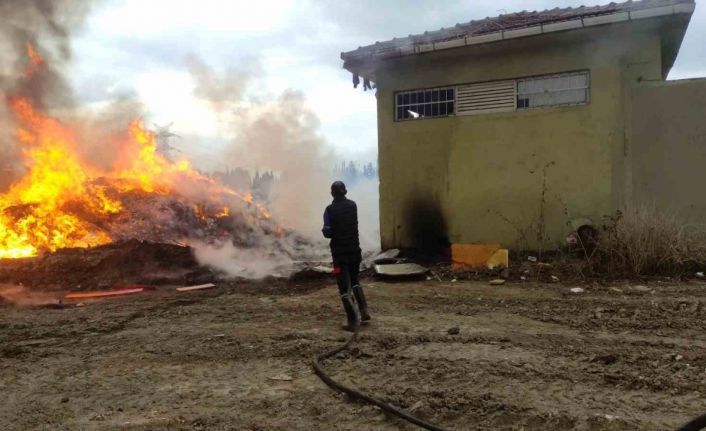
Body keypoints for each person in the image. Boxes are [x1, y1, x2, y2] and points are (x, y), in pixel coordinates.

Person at [322, 181, 371, 331]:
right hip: (355, 251)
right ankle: (364, 312)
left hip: (339, 255)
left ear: (332, 193)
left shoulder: (329, 210)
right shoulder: (353, 205)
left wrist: (327, 230)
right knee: (355, 280)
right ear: (346, 192)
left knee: (344, 288)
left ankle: (352, 321)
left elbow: (327, 232)